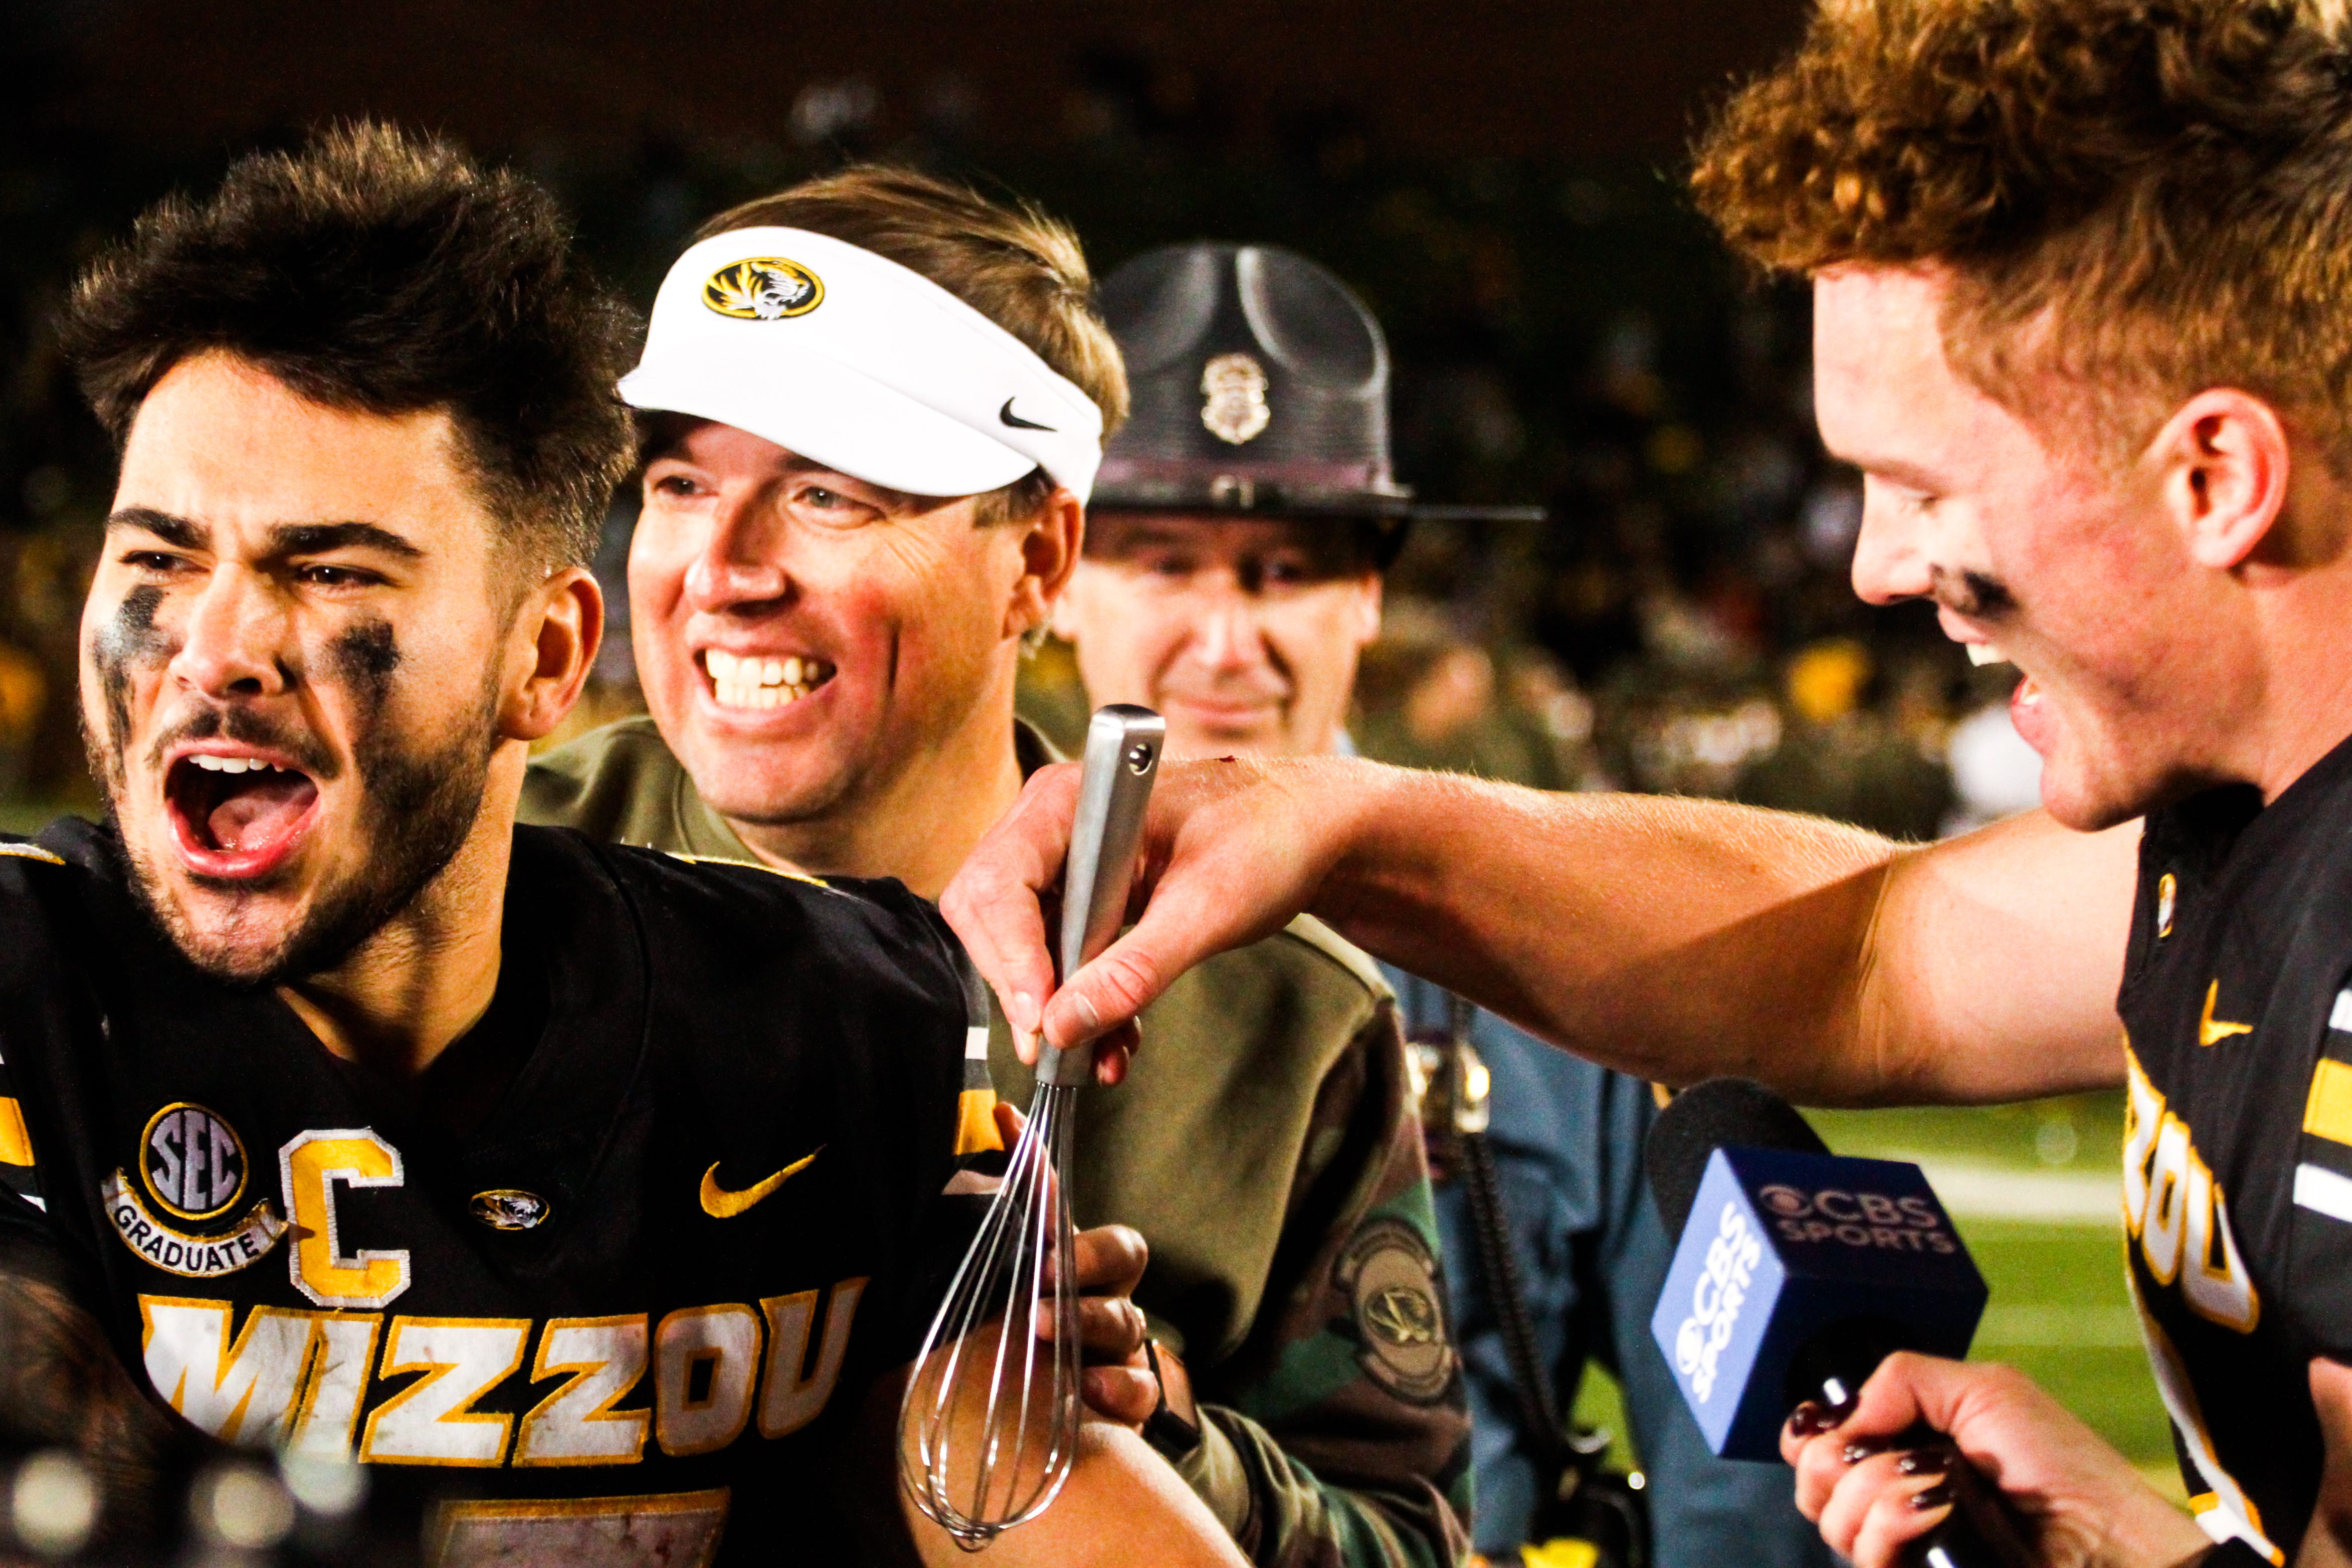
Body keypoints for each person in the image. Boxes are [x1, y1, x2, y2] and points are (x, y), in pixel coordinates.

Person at [935, 1, 2352, 1563]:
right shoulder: (2233, 834)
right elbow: (1871, 954)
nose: (1880, 567)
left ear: (2214, 478)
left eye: (1919, 485)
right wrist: (1335, 818)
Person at [0, 123, 1242, 1568]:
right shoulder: (28, 1002)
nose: (216, 650)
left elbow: (1054, 1516)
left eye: (329, 569)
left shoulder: (844, 1033)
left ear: (546, 654)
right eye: (158, 558)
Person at [518, 169, 1471, 1568]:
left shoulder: (1277, 1010)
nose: (722, 568)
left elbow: (1408, 1545)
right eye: (678, 484)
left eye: (828, 496)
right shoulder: (474, 885)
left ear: (1038, 556)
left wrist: (1167, 1440)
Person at [1052, 239, 1835, 1568]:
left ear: (1369, 594)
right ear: (1053, 575)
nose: (1227, 639)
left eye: (1285, 571)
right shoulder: (940, 925)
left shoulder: (1549, 952)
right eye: (1167, 563)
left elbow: (1749, 1479)